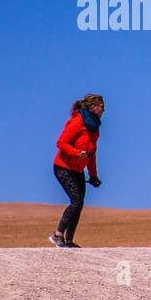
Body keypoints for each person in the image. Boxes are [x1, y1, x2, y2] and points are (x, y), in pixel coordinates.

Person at [49, 94, 105, 248]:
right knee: (76, 200)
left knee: (80, 204)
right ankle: (57, 235)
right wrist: (76, 153)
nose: (104, 110)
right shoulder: (77, 121)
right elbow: (61, 143)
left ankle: (68, 240)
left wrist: (93, 175)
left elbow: (92, 154)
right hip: (63, 167)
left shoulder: (95, 128)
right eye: (101, 107)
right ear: (93, 107)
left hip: (78, 169)